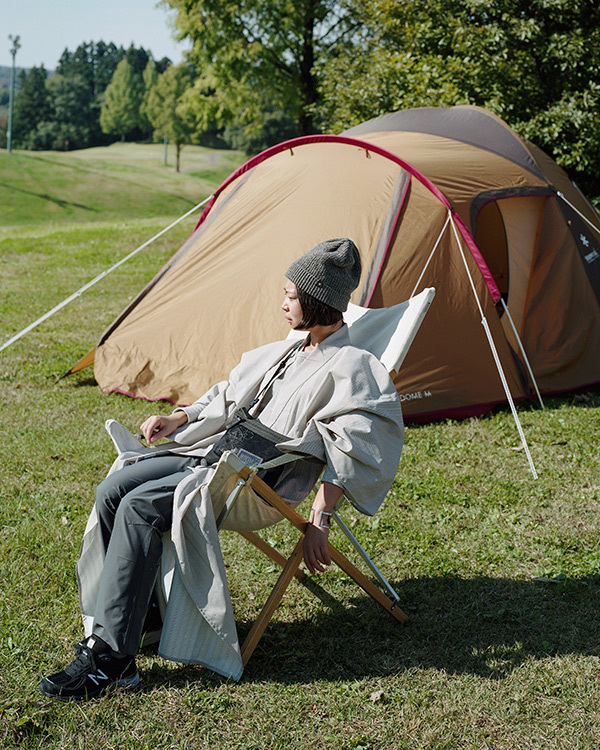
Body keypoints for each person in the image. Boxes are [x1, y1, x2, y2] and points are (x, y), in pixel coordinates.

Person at [39, 238, 404, 700]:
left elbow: (355, 445)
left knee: (139, 507)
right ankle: (140, 621)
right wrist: (182, 418)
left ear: (315, 300)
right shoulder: (291, 350)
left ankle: (112, 661)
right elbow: (232, 393)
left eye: (291, 295)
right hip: (219, 452)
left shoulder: (356, 367)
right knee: (115, 488)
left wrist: (321, 518)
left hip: (258, 481)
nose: (282, 303)